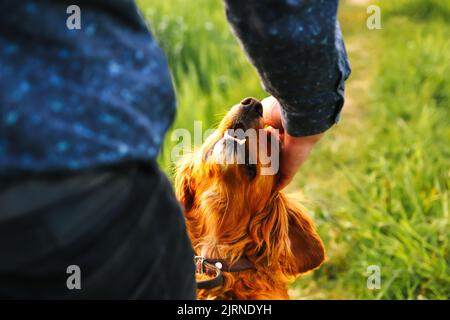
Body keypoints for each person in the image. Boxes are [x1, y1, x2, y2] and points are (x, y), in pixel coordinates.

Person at [0, 0, 350, 299]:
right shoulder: (155, 226)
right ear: (187, 193)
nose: (251, 113)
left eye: (268, 145)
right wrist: (308, 109)